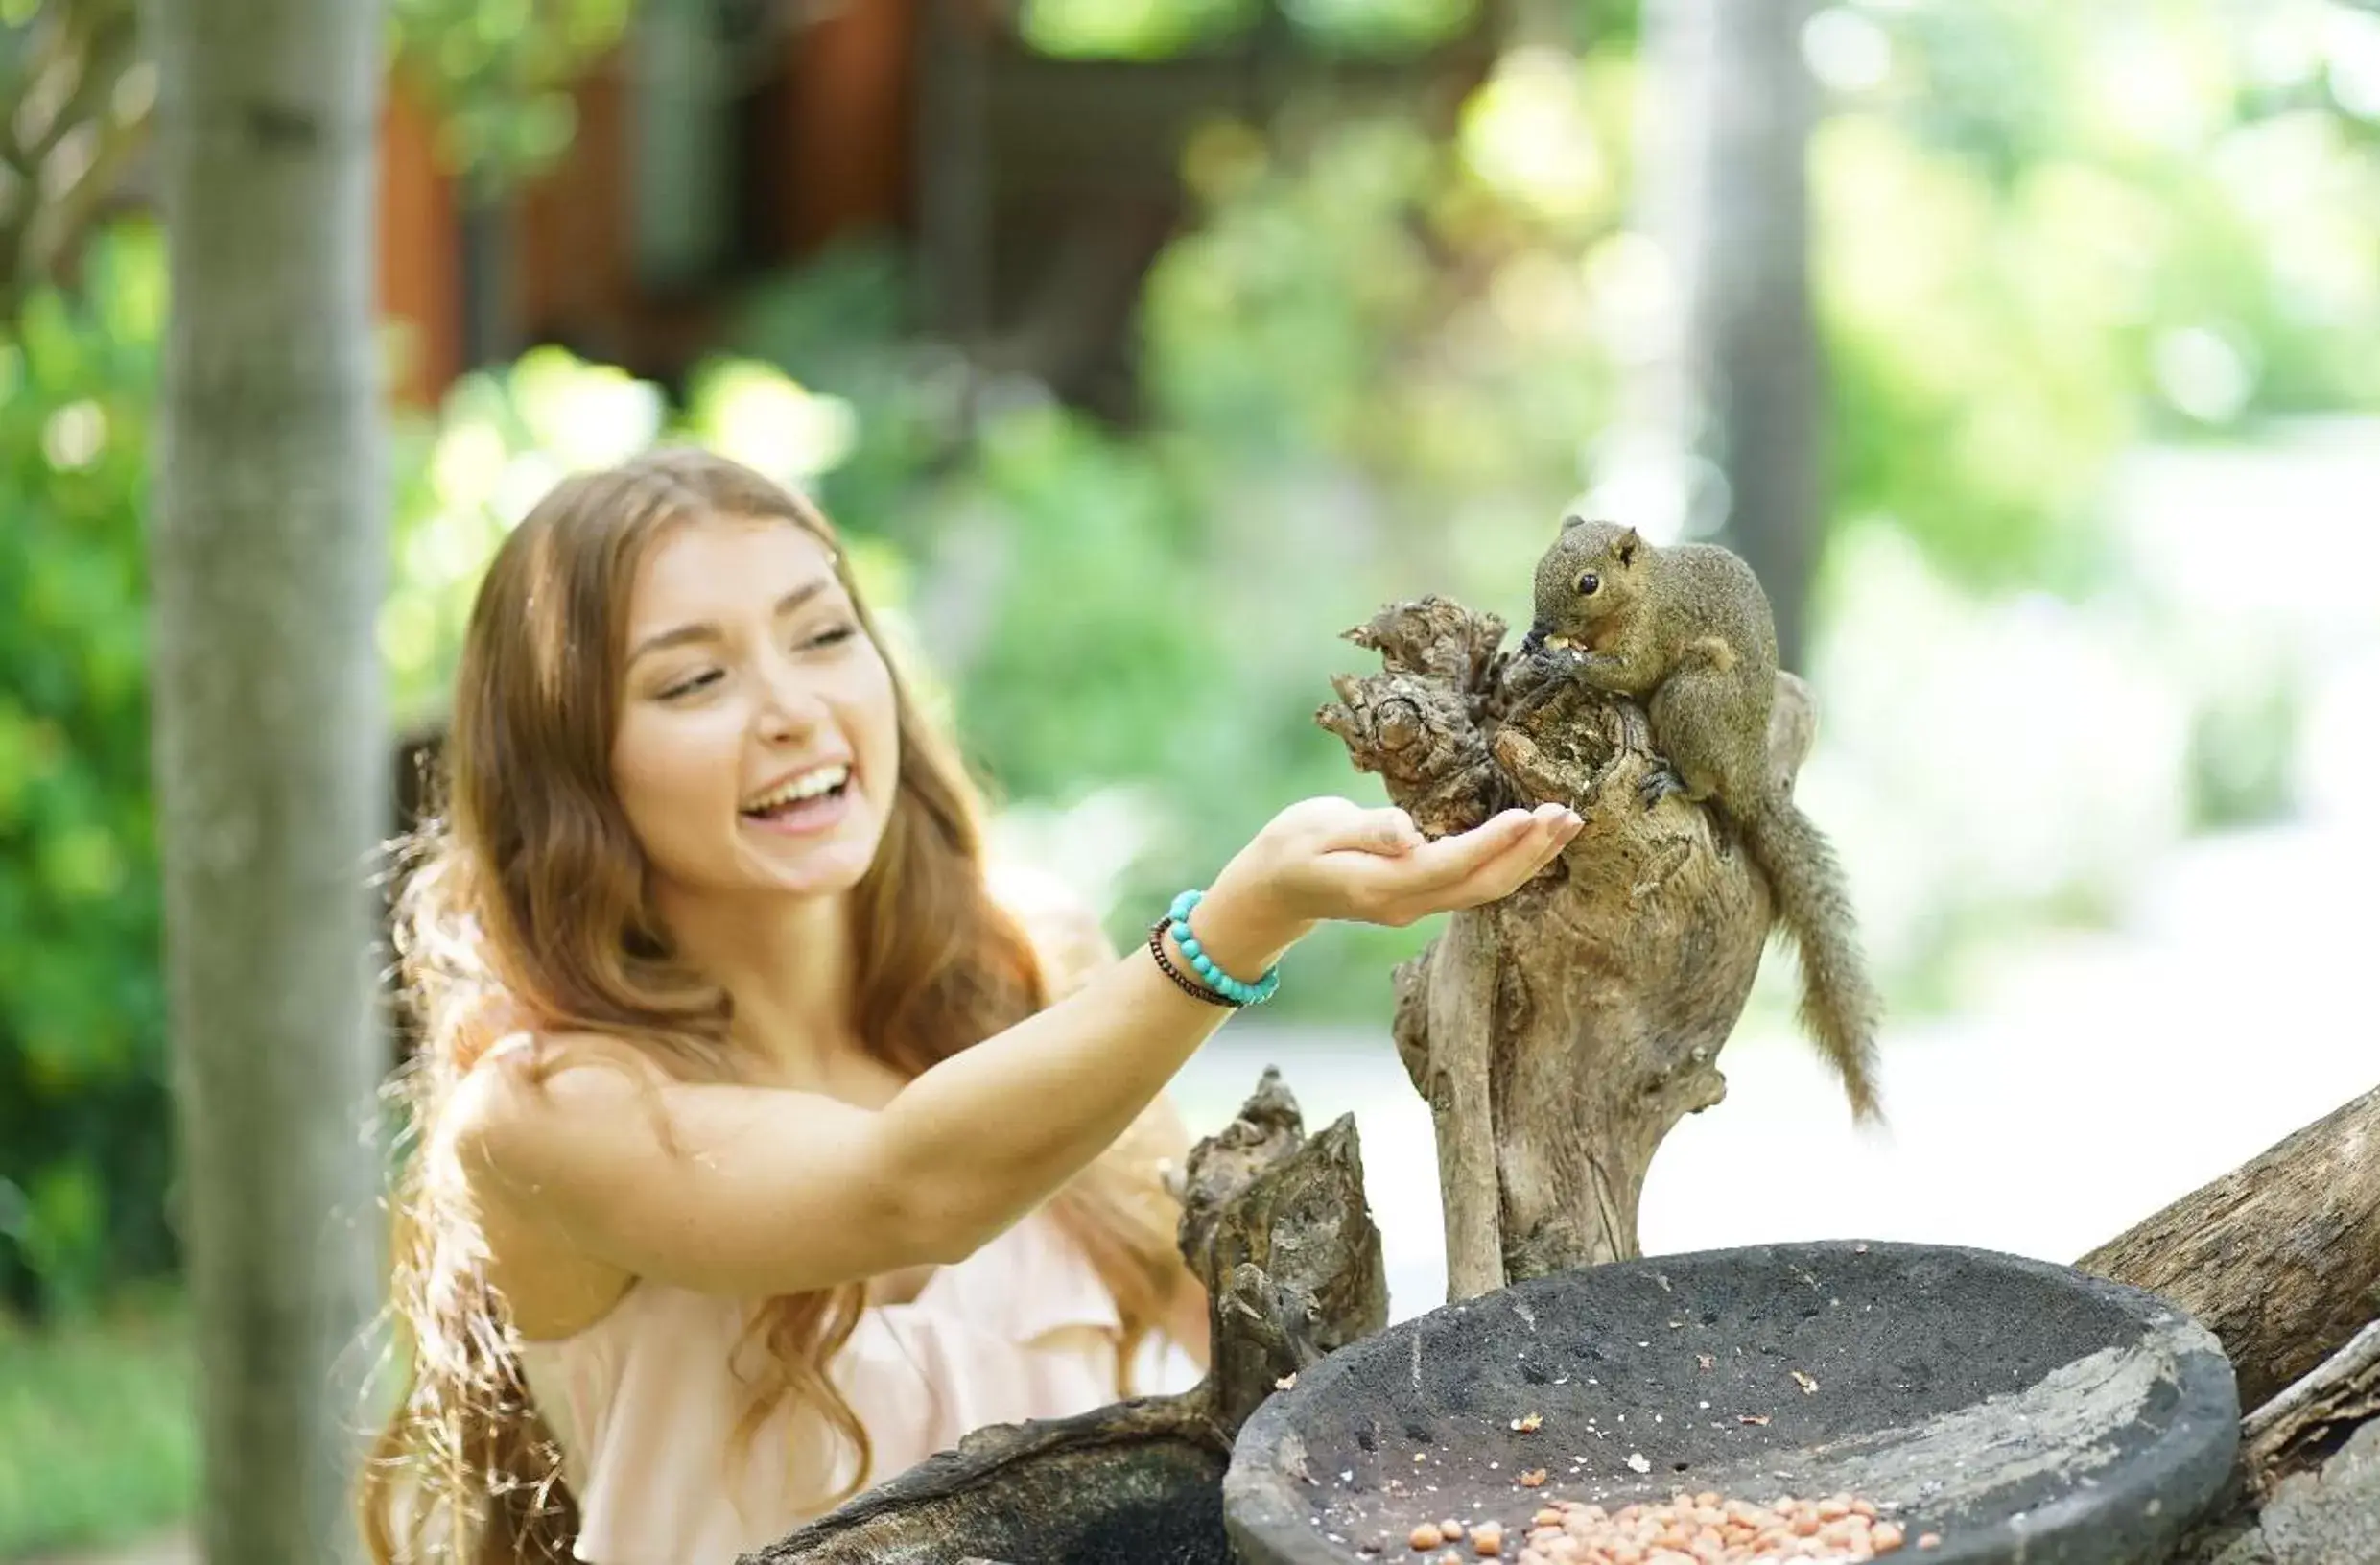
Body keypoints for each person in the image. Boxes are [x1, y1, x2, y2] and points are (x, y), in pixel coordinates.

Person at [354, 447, 1583, 1564]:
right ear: (574, 771)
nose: (792, 707)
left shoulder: (1022, 965)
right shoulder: (541, 1110)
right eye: (694, 680)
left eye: (822, 635)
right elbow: (907, 1192)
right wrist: (1232, 929)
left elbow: (1237, 1319)